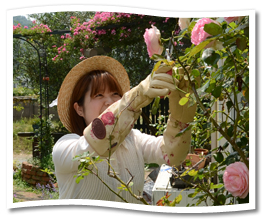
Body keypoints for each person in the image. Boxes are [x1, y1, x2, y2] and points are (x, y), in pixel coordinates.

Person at [52, 56, 196, 203]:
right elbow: (96, 143)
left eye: (115, 94)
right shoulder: (65, 148)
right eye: (99, 95)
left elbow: (171, 155)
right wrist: (137, 97)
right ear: (79, 109)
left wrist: (181, 119)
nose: (110, 101)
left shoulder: (133, 139)